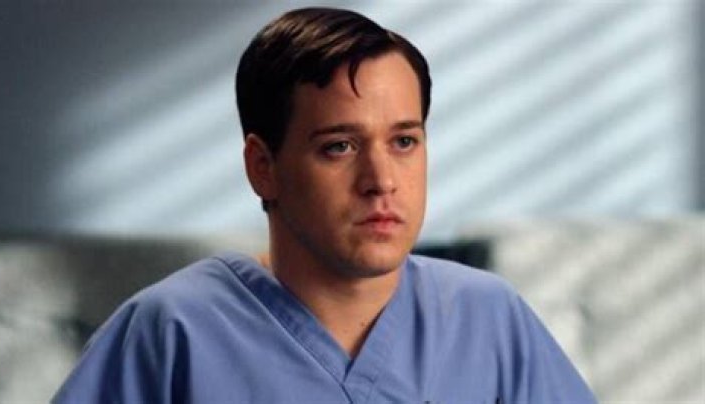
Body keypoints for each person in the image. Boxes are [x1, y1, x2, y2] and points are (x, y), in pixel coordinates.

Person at [53, 7, 597, 403]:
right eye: (339, 147)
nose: (381, 181)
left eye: (404, 141)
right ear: (262, 166)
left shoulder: (487, 319)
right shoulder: (172, 333)